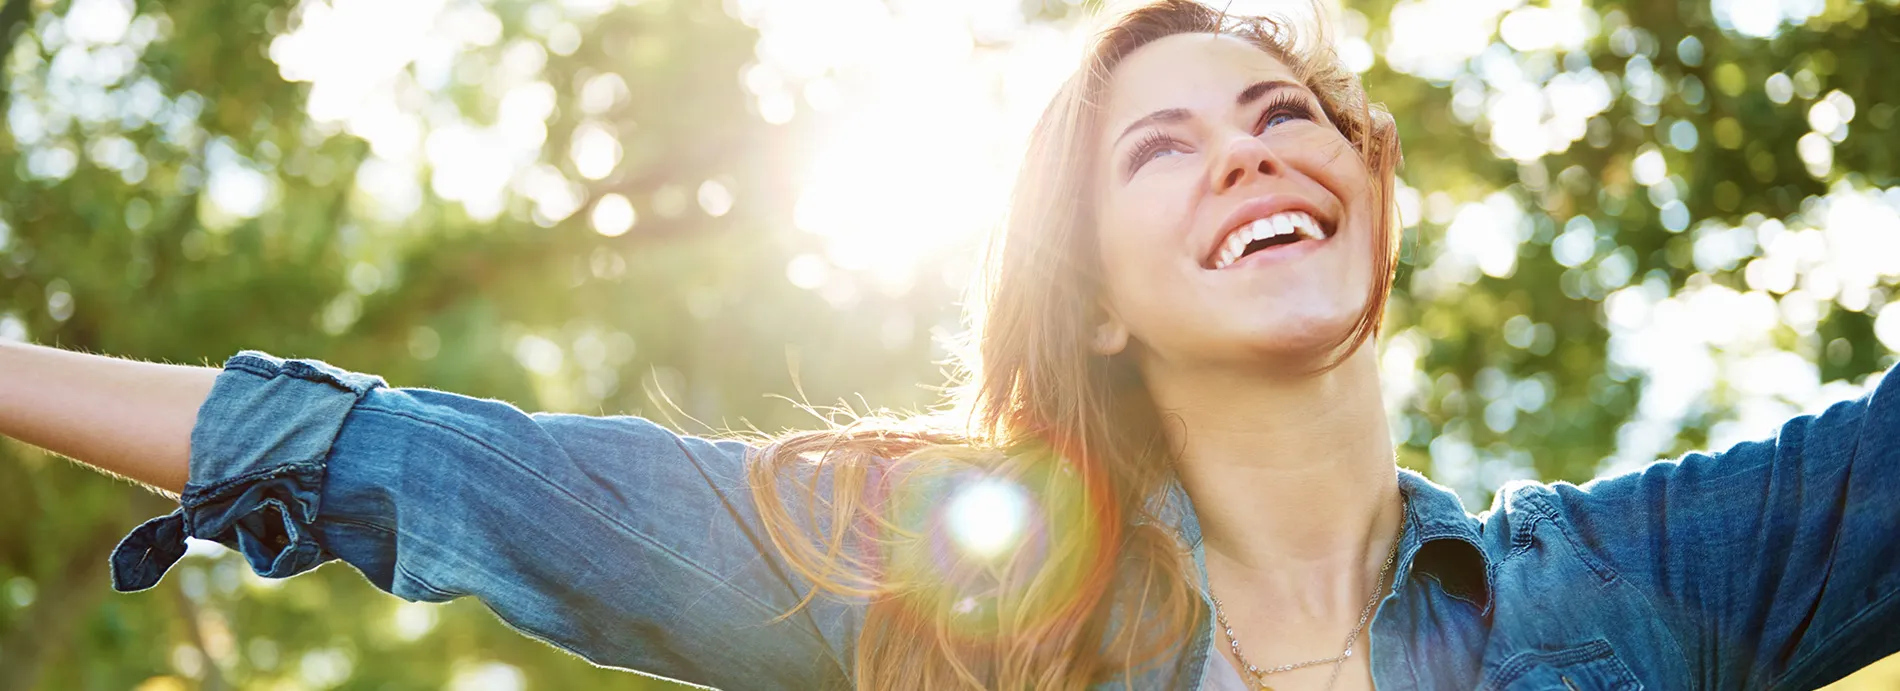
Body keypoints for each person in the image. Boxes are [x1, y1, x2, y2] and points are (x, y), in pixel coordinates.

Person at [3, 1, 1896, 689]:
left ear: (1367, 207)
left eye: (1284, 116)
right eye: (1162, 145)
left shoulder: (1656, 583)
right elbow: (406, 455)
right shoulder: (932, 589)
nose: (1250, 144)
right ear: (1089, 301)